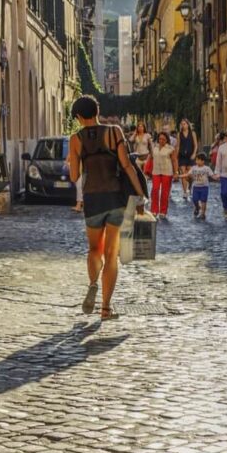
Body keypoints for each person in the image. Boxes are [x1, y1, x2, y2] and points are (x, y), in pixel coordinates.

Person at [68, 96, 147, 320]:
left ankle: (93, 283)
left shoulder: (76, 139)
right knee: (111, 255)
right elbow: (127, 166)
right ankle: (105, 309)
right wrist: (140, 197)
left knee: (94, 250)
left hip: (92, 200)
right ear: (97, 111)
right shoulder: (115, 132)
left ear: (79, 117)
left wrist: (74, 160)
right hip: (115, 199)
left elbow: (74, 176)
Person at [150, 132, 177, 220]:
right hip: (156, 171)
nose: (161, 141)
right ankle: (154, 210)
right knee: (155, 190)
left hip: (167, 172)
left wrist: (176, 172)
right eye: (160, 139)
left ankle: (163, 211)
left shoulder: (170, 148)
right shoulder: (155, 147)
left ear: (167, 140)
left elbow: (174, 161)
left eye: (163, 139)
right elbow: (151, 158)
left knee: (165, 193)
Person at [189, 154, 214, 221]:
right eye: (196, 160)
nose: (196, 161)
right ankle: (197, 207)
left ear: (203, 161)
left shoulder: (207, 168)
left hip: (204, 187)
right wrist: (183, 176)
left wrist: (217, 177)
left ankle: (203, 213)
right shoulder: (194, 168)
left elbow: (212, 175)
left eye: (198, 160)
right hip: (196, 187)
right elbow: (189, 174)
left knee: (204, 200)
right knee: (195, 199)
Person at [176, 120, 197, 195]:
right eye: (181, 124)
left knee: (190, 174)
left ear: (188, 125)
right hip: (182, 156)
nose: (183, 125)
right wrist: (176, 156)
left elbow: (195, 145)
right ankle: (185, 192)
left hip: (190, 155)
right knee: (183, 174)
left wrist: (194, 154)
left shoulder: (193, 133)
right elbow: (178, 146)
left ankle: (190, 185)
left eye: (184, 124)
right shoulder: (179, 134)